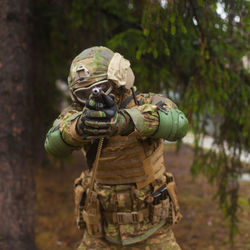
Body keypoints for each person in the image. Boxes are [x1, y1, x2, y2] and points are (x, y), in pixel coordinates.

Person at [44, 46, 188, 249]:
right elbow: (53, 144)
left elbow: (178, 123)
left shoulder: (147, 102)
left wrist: (125, 121)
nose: (92, 98)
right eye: (83, 93)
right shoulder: (79, 115)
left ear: (118, 80)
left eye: (101, 89)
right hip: (100, 233)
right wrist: (81, 127)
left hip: (153, 232)